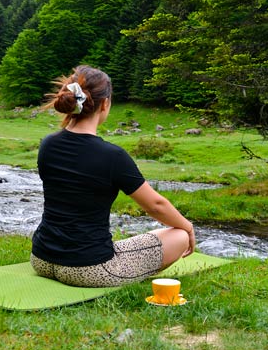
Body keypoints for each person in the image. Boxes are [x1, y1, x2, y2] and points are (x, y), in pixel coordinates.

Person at [31, 65, 195, 287]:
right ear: (105, 104)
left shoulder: (48, 144)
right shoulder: (112, 156)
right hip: (88, 269)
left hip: (41, 259)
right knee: (178, 236)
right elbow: (155, 205)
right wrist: (188, 227)